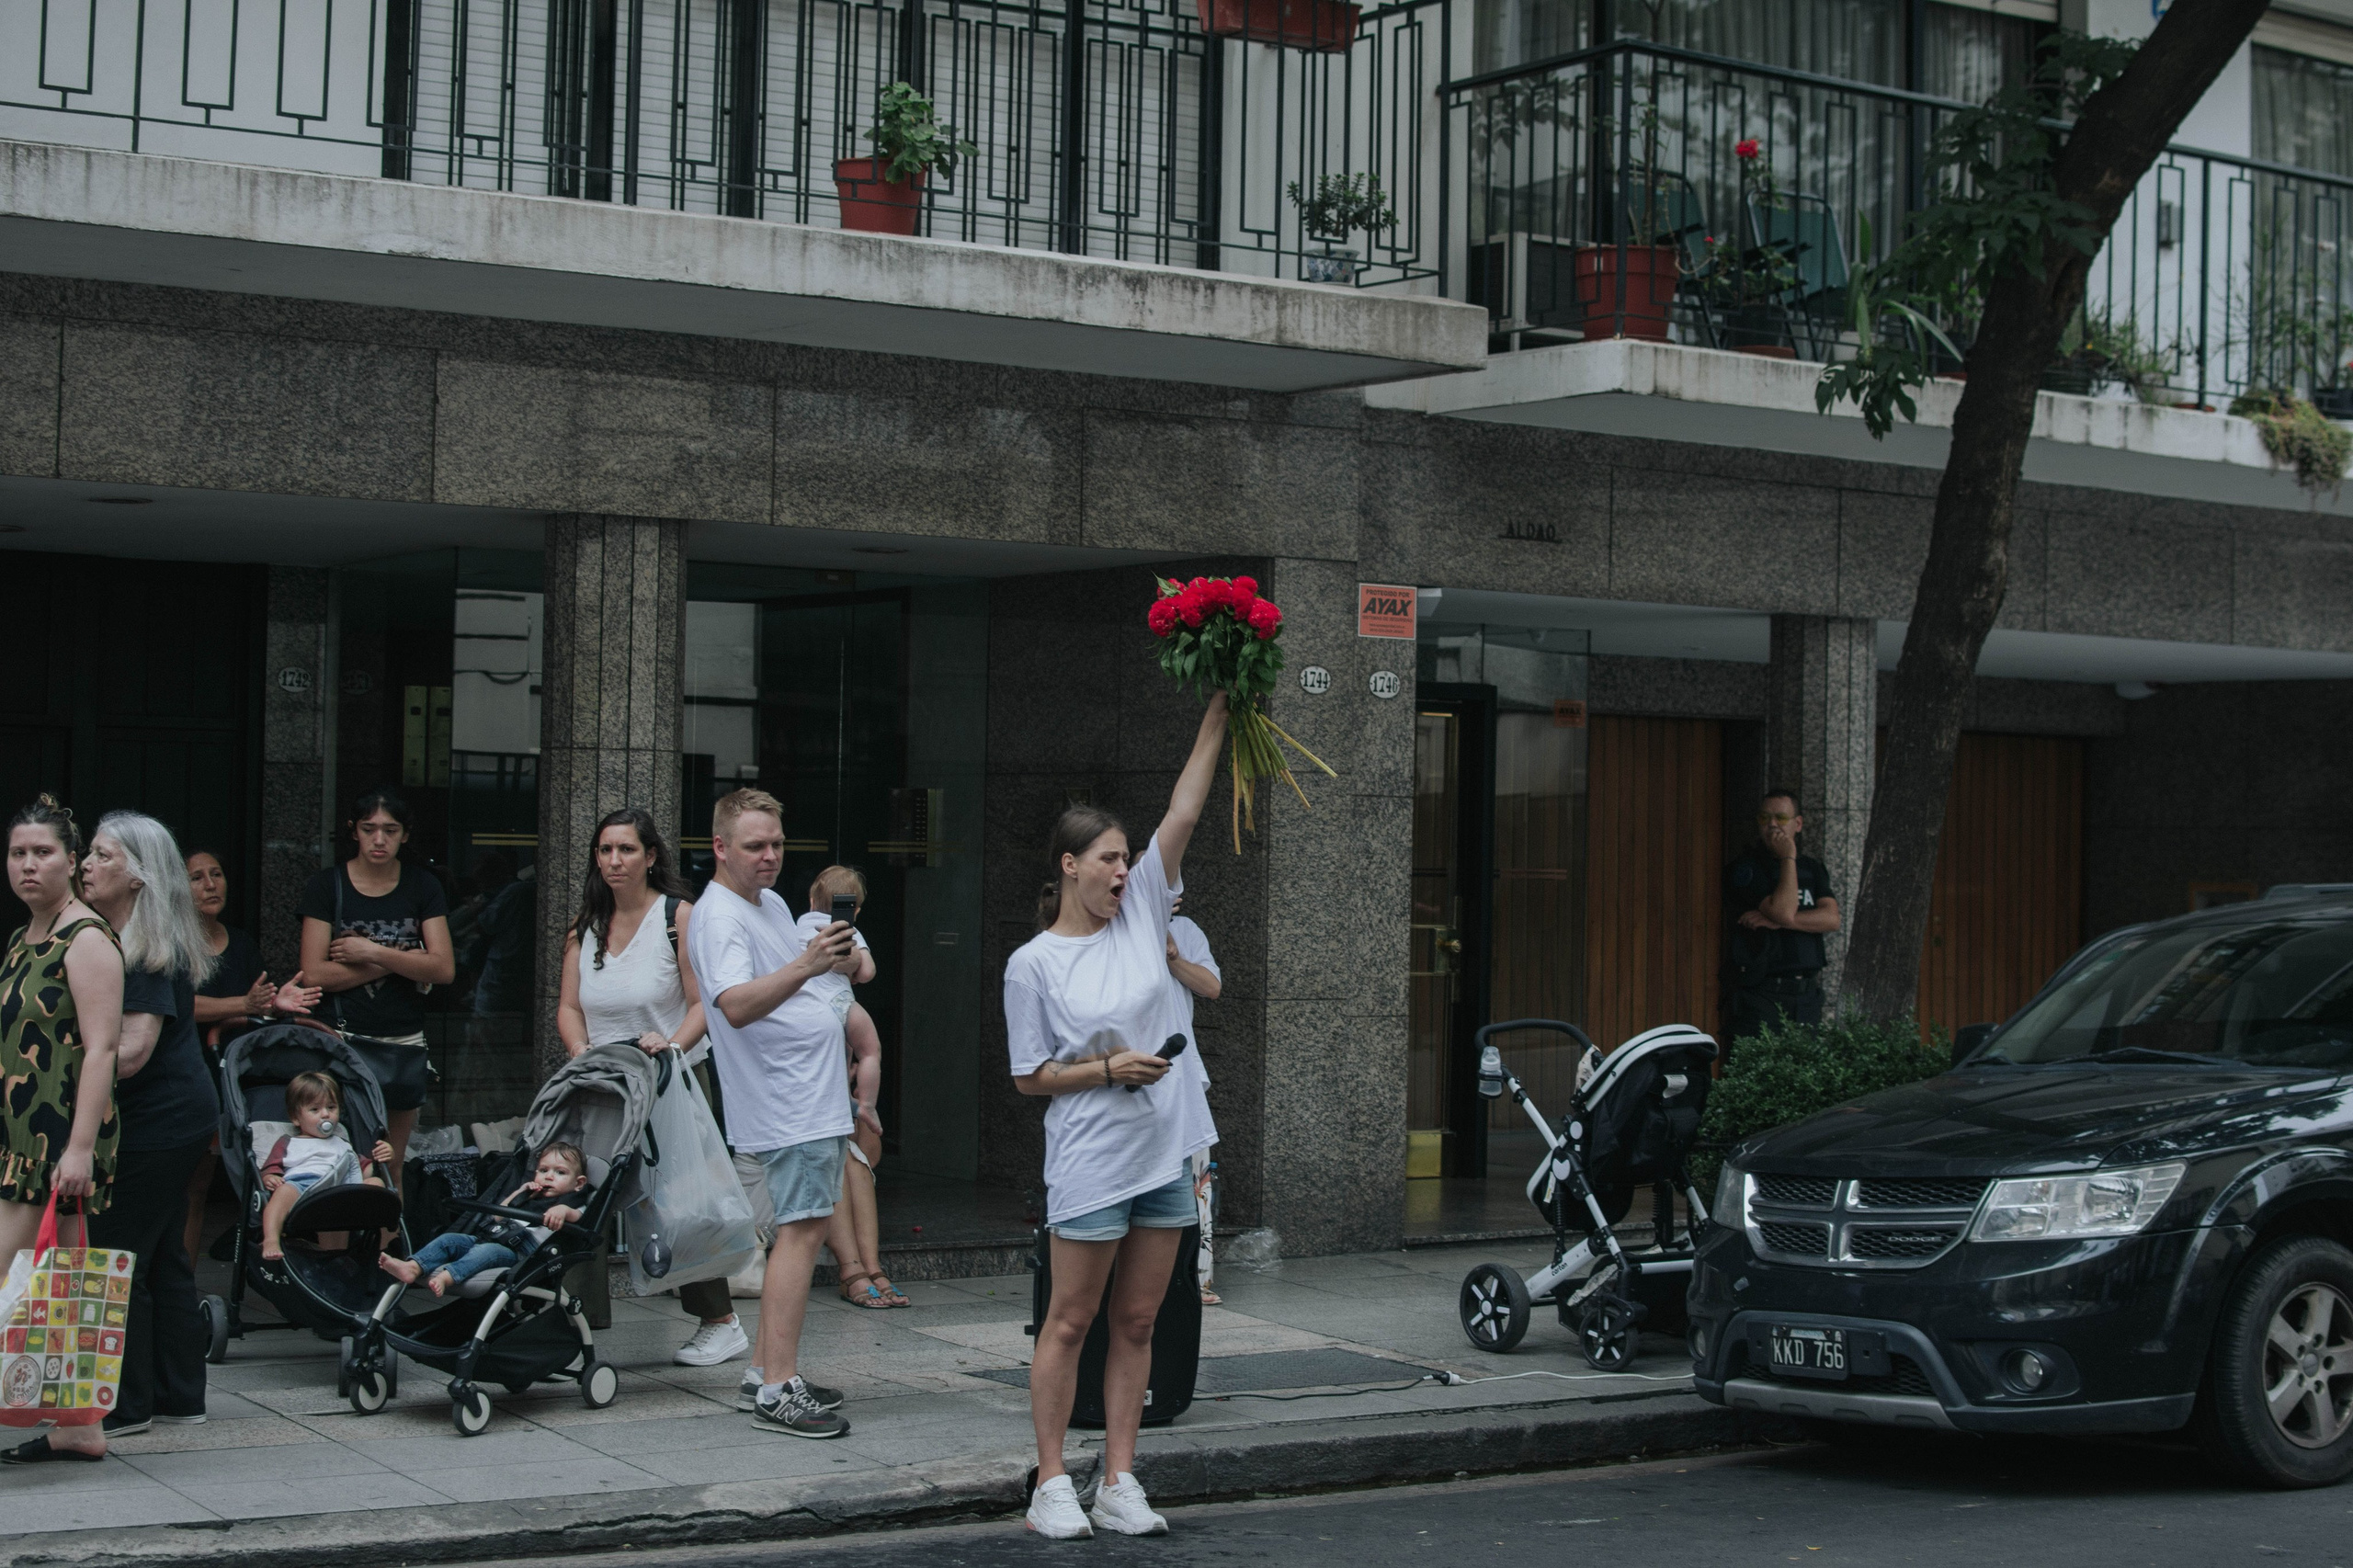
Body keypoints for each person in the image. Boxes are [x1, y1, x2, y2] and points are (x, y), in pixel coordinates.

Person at [1006, 692, 1228, 1540]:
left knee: (1139, 1320)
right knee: (1070, 1319)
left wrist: (1221, 711)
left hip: (1163, 1151)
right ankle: (1054, 1479)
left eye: (1128, 859)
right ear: (1069, 865)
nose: (1122, 872)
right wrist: (1106, 1069)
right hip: (1093, 1158)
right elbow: (1029, 1078)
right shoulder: (1034, 965)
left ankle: (1122, 1479)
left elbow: (1186, 804)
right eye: (1107, 859)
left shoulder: (1143, 911)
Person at [686, 788, 857, 1438]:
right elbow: (734, 1003)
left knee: (801, 1230)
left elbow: (789, 985)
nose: (770, 857)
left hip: (806, 1095)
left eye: (778, 844)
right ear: (720, 848)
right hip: (789, 1103)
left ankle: (765, 1371)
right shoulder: (720, 915)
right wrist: (810, 963)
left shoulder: (772, 903)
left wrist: (821, 967)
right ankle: (779, 1389)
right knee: (801, 1233)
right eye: (755, 846)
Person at [553, 807, 745, 1368]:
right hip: (604, 1083)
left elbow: (701, 1004)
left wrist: (673, 1047)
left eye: (627, 850)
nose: (615, 860)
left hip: (670, 1080)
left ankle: (720, 1321)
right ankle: (576, 1326)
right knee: (578, 1194)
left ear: (651, 856)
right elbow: (568, 1007)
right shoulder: (585, 926)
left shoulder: (677, 917)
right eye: (606, 850)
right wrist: (580, 1054)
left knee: (679, 1202)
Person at [74, 813, 226, 1440]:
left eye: (103, 855)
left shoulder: (139, 949)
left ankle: (124, 1404)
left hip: (158, 1121)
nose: (86, 864)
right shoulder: (130, 937)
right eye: (88, 853)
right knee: (163, 1251)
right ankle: (177, 1392)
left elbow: (131, 1051)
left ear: (138, 877)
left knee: (114, 1251)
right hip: (178, 1115)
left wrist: (69, 1084)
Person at [0, 797, 122, 1466]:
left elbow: (103, 1051)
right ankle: (79, 1424)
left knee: (10, 1280)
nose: (27, 864)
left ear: (72, 862)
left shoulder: (87, 940)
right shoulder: (27, 935)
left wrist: (78, 1150)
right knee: (64, 1282)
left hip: (54, 1144)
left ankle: (76, 1422)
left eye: (41, 852)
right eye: (17, 852)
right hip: (22, 1137)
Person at [299, 788, 455, 1187]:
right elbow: (314, 973)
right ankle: (338, 1252)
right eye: (369, 829)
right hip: (340, 1037)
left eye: (390, 829)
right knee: (334, 1162)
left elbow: (442, 967)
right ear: (354, 832)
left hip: (401, 1039)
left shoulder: (423, 886)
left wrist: (369, 951)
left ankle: (385, 1252)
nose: (379, 839)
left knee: (390, 1166)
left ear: (405, 834)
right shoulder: (326, 886)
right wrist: (401, 958)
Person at [184, 848, 321, 1265]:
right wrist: (241, 1004)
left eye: (217, 873)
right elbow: (178, 1003)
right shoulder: (173, 943)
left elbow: (255, 1005)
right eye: (197, 878)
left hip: (237, 1074)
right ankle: (182, 1284)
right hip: (191, 1069)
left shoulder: (240, 942)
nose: (211, 884)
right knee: (194, 1184)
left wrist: (276, 1003)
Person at [797, 867, 901, 1311]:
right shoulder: (801, 927)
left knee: (857, 1160)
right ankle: (853, 1268)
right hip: (811, 1060)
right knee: (833, 1161)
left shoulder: (834, 932)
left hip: (840, 1047)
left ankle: (869, 1265)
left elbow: (863, 971)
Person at [1722, 788, 1843, 1055]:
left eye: (1781, 818)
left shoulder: (1812, 868)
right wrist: (1788, 856)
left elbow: (1831, 919)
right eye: (1764, 818)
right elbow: (1785, 910)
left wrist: (1780, 922)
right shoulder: (1747, 869)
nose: (1772, 825)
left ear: (1798, 824)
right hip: (1764, 993)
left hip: (1806, 994)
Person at [382, 1142, 591, 1296]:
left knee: (486, 1251)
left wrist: (563, 1211)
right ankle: (413, 1266)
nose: (549, 1176)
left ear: (579, 1183)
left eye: (560, 1172)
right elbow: (497, 1216)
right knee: (450, 1240)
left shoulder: (573, 1202)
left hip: (518, 1256)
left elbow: (578, 1216)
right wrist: (519, 1192)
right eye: (543, 1170)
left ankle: (448, 1276)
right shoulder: (529, 1195)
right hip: (489, 1237)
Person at [257, 1071, 394, 1260]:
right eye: (315, 1110)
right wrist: (270, 1177)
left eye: (331, 1107)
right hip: (303, 1188)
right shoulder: (289, 1142)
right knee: (283, 1193)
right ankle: (271, 1239)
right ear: (296, 1118)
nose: (326, 1114)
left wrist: (382, 1158)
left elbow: (362, 1169)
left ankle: (366, 1233)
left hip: (341, 1189)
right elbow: (271, 1166)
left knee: (376, 1183)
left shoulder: (341, 1143)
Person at [1163, 894, 1222, 1306]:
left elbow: (1211, 987)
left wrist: (1172, 957)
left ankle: (1197, 1278)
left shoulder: (1185, 932)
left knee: (1195, 1178)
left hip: (1182, 1072)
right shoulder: (1112, 929)